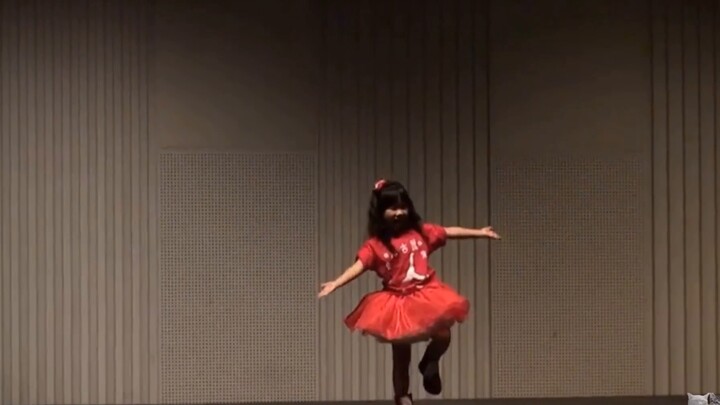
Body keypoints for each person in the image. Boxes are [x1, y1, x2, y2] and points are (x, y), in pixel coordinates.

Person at [318, 179, 500, 405]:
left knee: (443, 334)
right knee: (401, 354)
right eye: (392, 208)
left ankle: (429, 362)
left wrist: (479, 232)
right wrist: (336, 282)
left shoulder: (421, 233)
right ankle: (402, 396)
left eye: (403, 207)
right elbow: (359, 266)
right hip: (397, 302)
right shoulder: (375, 245)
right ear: (380, 212)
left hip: (426, 294)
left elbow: (449, 231)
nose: (398, 213)